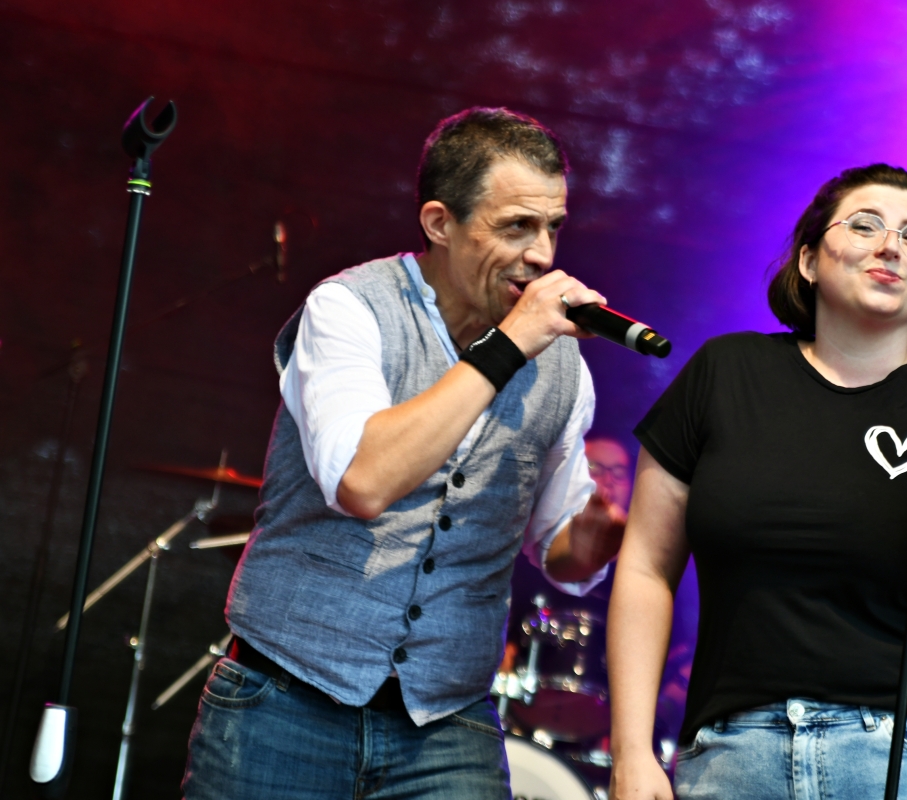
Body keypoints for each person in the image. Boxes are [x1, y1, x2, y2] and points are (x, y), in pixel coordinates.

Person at [182, 107, 625, 799]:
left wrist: (601, 538)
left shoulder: (564, 369)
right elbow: (363, 481)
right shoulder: (349, 309)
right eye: (516, 226)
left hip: (447, 718)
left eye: (552, 227)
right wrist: (509, 346)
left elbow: (557, 549)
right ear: (440, 223)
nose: (542, 254)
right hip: (288, 696)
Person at [607, 164, 907, 799]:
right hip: (740, 755)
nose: (891, 246)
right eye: (866, 225)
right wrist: (631, 751)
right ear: (809, 260)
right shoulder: (725, 373)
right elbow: (646, 570)